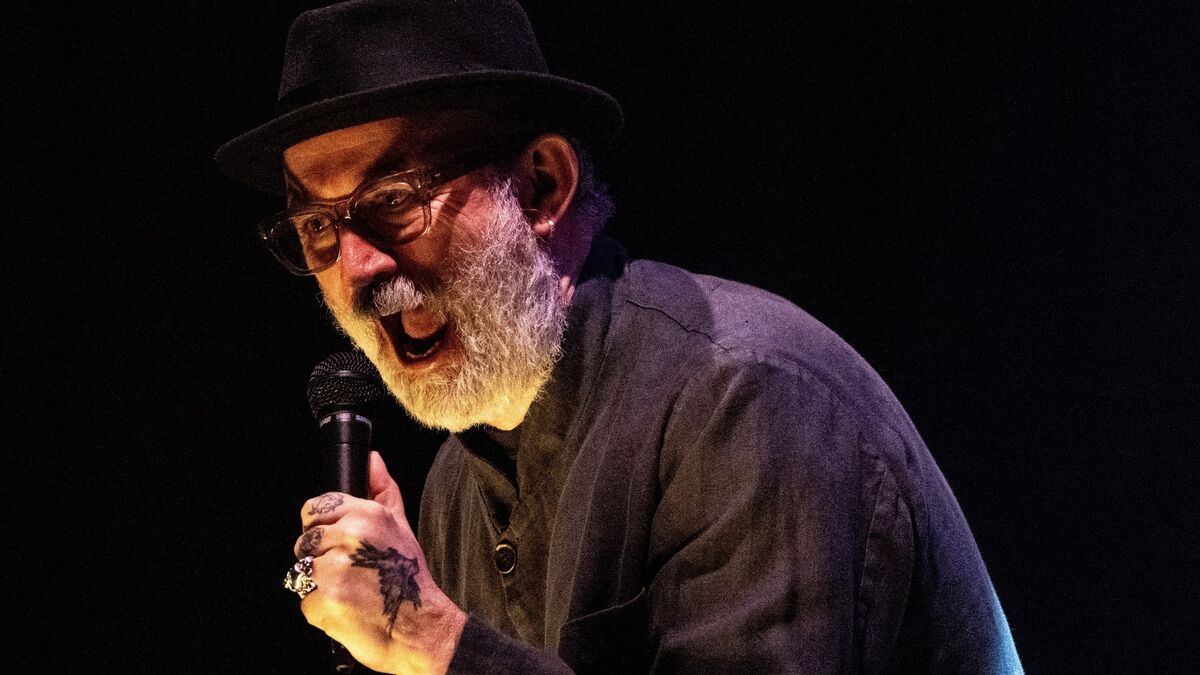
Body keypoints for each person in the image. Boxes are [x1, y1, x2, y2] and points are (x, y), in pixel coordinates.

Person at [216, 1, 1022, 672]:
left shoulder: (741, 398)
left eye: (394, 199)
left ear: (543, 185)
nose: (356, 265)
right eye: (316, 225)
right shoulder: (458, 491)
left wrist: (434, 639)